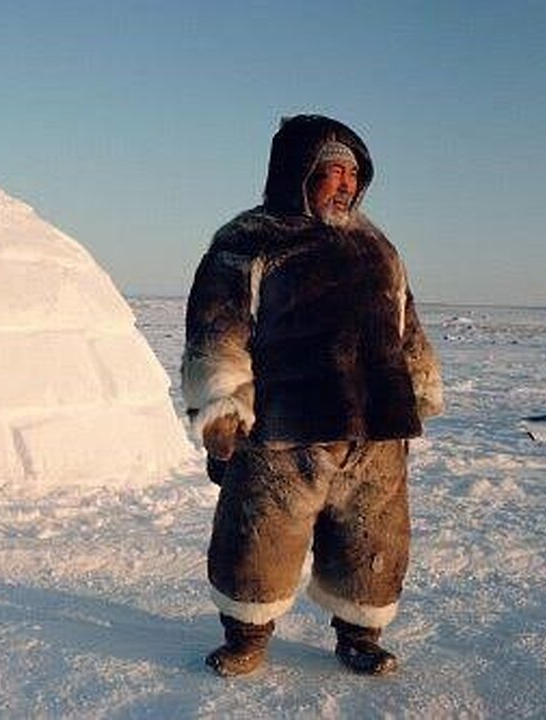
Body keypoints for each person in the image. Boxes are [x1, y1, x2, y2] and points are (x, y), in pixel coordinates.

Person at [181, 114, 443, 677]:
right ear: (297, 173)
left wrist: (417, 383)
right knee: (259, 536)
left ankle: (360, 633)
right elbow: (217, 329)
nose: (345, 183)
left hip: (374, 425)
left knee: (371, 537)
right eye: (332, 170)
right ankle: (247, 633)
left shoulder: (377, 246)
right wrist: (222, 406)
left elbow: (405, 319)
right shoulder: (249, 242)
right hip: (284, 425)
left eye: (354, 172)